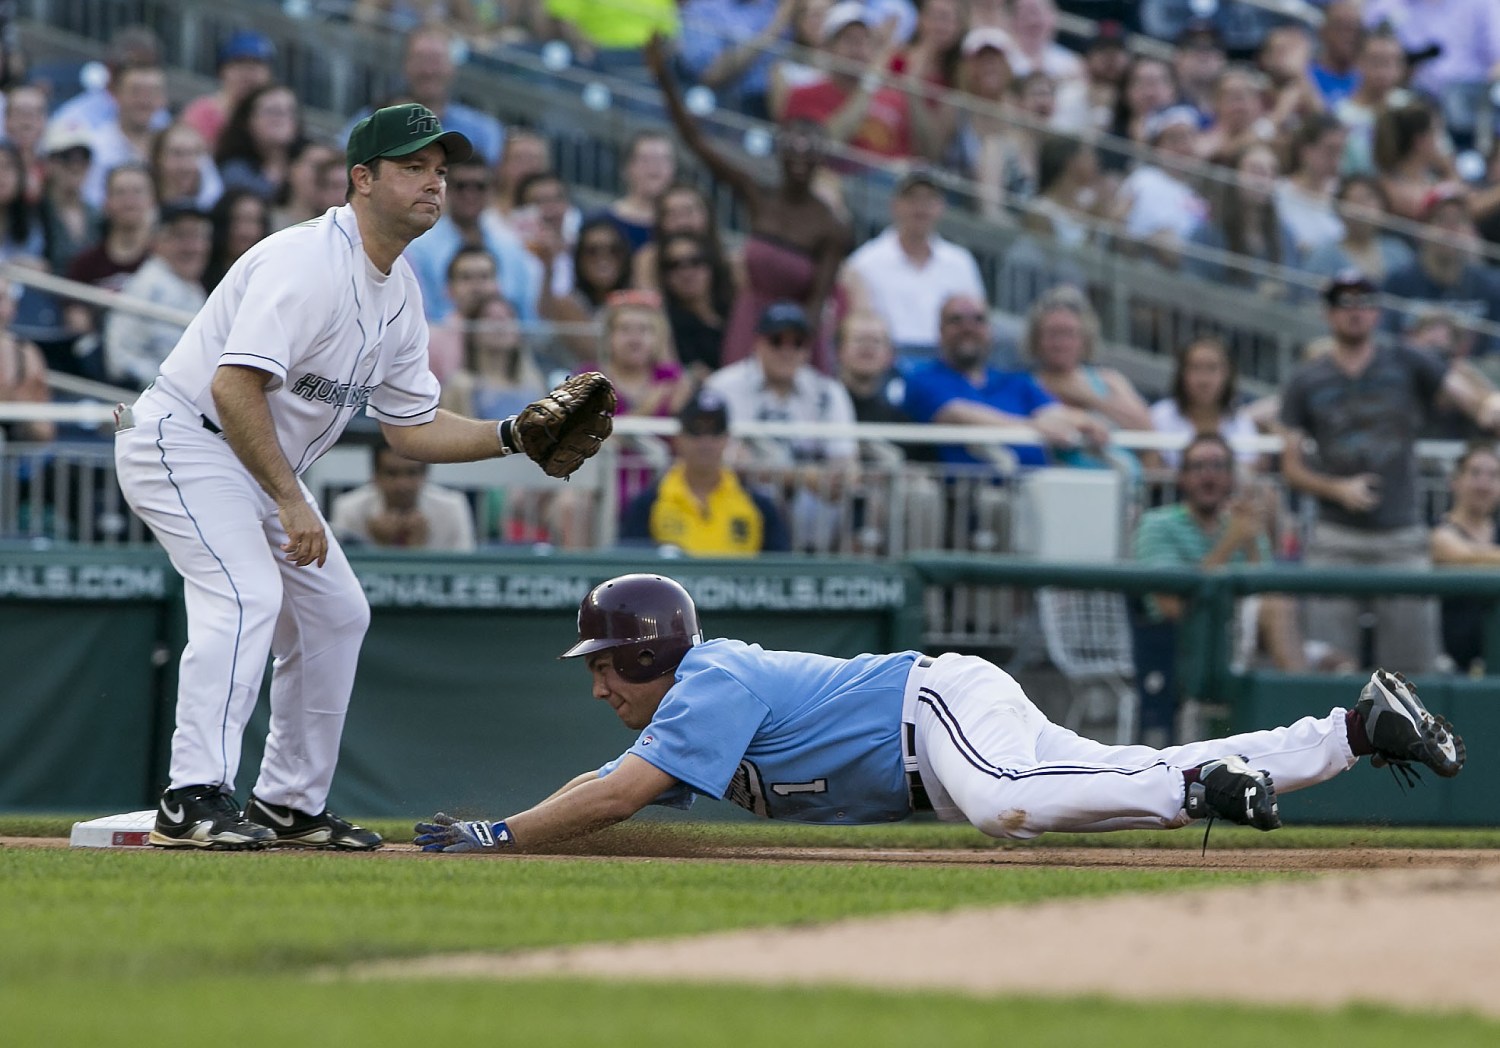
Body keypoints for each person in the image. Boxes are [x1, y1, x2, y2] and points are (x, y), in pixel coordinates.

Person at [112, 103, 605, 852]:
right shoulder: (306, 262)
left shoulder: (400, 290)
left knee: (338, 612)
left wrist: (512, 436)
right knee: (246, 593)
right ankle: (192, 796)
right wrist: (288, 499)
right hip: (185, 440)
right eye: (413, 167)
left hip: (251, 461)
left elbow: (412, 428)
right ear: (361, 179)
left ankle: (287, 803)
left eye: (440, 170)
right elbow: (232, 387)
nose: (433, 183)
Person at [413, 573, 1466, 853]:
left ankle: (1196, 789)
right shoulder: (701, 688)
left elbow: (618, 795)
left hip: (930, 712)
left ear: (647, 651)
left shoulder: (709, 681)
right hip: (937, 719)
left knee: (1004, 808)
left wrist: (498, 833)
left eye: (607, 663)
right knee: (1105, 766)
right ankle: (1345, 733)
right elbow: (612, 784)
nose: (599, 685)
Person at [1279, 270, 1500, 675]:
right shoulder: (1305, 379)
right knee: (1329, 665)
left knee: (1413, 668)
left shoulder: (1405, 358)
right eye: (1344, 302)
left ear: (1377, 313)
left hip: (1401, 536)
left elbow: (1467, 397)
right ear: (1328, 314)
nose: (1355, 312)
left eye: (1364, 302)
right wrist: (1336, 488)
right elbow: (1290, 465)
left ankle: (1415, 741)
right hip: (1335, 537)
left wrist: (1488, 407)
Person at [649, 35, 849, 374]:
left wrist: (790, 350)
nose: (799, 159)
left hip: (794, 336)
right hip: (749, 323)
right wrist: (664, 79)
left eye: (808, 152)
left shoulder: (830, 225)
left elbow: (817, 302)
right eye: (792, 150)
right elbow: (697, 143)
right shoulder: (759, 196)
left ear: (821, 159)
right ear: (780, 153)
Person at [901, 291, 1107, 469]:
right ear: (940, 330)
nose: (968, 327)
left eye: (978, 319)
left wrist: (1086, 423)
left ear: (990, 330)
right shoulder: (923, 378)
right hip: (970, 502)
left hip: (1035, 493)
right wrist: (1032, 427)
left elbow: (1055, 413)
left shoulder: (1014, 382)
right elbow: (958, 413)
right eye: (956, 320)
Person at [620, 389, 791, 555]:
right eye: (696, 431)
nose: (706, 442)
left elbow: (780, 569)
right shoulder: (648, 504)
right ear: (678, 438)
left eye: (715, 431)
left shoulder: (759, 506)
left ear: (727, 438)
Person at [839, 168, 985, 359]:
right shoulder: (865, 262)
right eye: (912, 199)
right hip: (888, 360)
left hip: (947, 361)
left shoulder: (961, 262)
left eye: (929, 199)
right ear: (895, 205)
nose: (921, 207)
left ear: (941, 206)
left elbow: (978, 317)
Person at [103, 203, 212, 390]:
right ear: (157, 241)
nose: (193, 247)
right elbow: (119, 361)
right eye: (182, 236)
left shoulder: (189, 284)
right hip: (149, 397)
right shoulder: (150, 285)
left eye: (199, 237)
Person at [1382, 191, 1500, 357]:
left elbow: (1495, 354)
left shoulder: (1490, 287)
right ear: (1422, 230)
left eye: (1459, 221)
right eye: (1441, 220)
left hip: (1474, 376)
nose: (1451, 229)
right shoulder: (1398, 282)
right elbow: (1383, 343)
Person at [329, 440, 478, 552]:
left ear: (425, 475)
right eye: (391, 473)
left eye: (412, 473)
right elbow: (344, 573)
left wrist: (419, 551)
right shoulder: (349, 509)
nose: (402, 484)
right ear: (375, 476)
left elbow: (464, 571)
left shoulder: (452, 508)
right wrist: (379, 547)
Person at [1430, 441, 1500, 675]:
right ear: (1455, 481)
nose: (1484, 484)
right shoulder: (1440, 529)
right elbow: (1461, 555)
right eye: (1475, 473)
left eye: (1493, 475)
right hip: (1450, 659)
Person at [1149, 336, 1263, 470]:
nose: (1203, 380)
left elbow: (1247, 472)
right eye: (1195, 368)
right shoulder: (1158, 417)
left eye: (1212, 368)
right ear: (1181, 374)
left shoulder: (1241, 422)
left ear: (1227, 374)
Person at [1301, 175, 1415, 286]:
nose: (1363, 208)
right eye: (1354, 200)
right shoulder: (1323, 257)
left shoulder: (1399, 252)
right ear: (1339, 210)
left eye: (1368, 198)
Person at [180, 29, 277, 151]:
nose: (247, 73)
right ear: (221, 72)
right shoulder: (202, 113)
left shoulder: (278, 114)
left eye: (256, 64)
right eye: (239, 63)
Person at [215, 84, 304, 203]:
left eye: (289, 111)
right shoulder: (234, 171)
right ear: (248, 121)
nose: (282, 119)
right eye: (272, 111)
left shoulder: (310, 163)